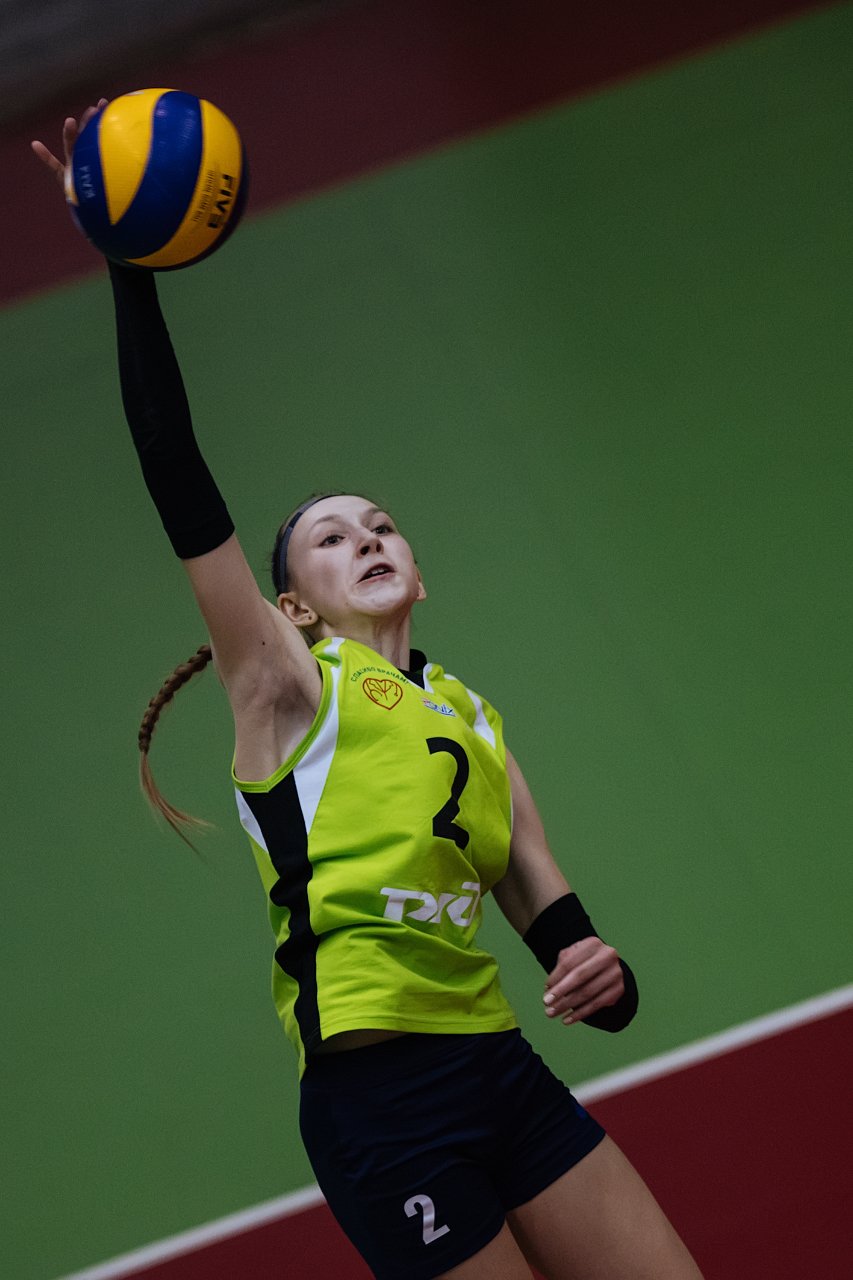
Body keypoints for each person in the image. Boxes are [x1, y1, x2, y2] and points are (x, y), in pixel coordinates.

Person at [34, 107, 703, 1280]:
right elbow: (175, 471)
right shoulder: (288, 685)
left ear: (419, 570)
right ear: (291, 603)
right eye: (334, 537)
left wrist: (603, 970)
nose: (370, 537)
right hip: (381, 1100)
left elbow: (556, 921)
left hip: (498, 1064)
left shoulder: (474, 719)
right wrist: (129, 271)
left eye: (383, 524)